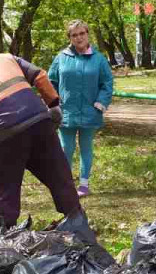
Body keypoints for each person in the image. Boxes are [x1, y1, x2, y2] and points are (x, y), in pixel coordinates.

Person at [0, 52, 97, 241]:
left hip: (7, 132)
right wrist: (53, 104)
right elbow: (39, 75)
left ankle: (4, 238)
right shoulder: (5, 58)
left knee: (4, 188)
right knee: (57, 173)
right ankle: (77, 223)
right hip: (40, 120)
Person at [48, 19, 114, 197]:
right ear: (69, 37)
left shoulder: (99, 59)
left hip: (90, 111)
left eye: (82, 33)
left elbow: (107, 82)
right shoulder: (61, 58)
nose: (78, 38)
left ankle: (84, 185)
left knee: (86, 147)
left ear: (87, 34)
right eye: (74, 35)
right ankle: (66, 184)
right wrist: (53, 104)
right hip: (66, 111)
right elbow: (50, 82)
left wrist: (101, 102)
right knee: (65, 149)